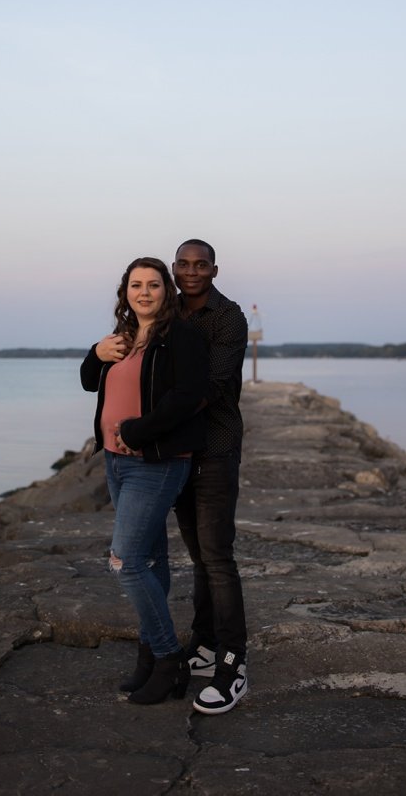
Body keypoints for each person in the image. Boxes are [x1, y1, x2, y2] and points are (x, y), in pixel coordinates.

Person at [113, 239, 251, 714]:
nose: (192, 272)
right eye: (184, 265)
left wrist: (142, 429)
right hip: (175, 453)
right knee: (196, 556)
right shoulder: (165, 316)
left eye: (201, 265)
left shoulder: (227, 317)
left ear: (214, 269)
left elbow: (204, 390)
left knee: (216, 558)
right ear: (174, 269)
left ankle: (232, 666)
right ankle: (205, 644)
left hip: (212, 449)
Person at [81, 257, 212, 704]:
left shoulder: (182, 336)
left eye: (153, 285)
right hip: (117, 463)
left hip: (157, 462)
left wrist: (138, 429)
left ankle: (169, 658)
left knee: (126, 561)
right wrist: (94, 354)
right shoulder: (123, 338)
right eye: (135, 285)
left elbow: (189, 397)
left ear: (166, 290)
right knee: (151, 562)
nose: (144, 292)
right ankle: (149, 661)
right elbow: (87, 382)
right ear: (126, 292)